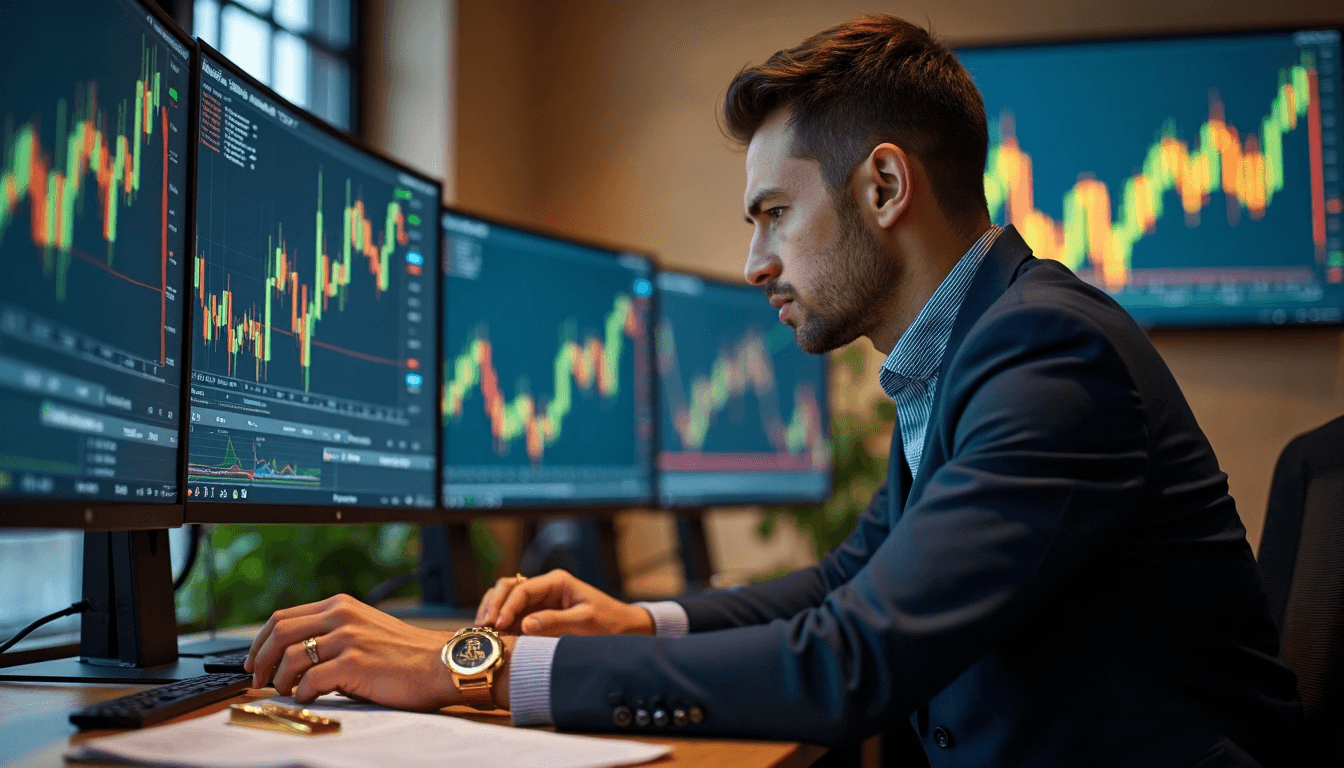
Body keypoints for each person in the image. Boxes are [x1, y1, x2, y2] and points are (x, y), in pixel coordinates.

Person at [244, 15, 1306, 766]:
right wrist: (638, 625)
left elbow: (853, 657)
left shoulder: (1045, 360)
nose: (754, 262)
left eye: (771, 214)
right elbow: (851, 585)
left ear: (884, 187)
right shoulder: (982, 345)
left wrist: (466, 664)